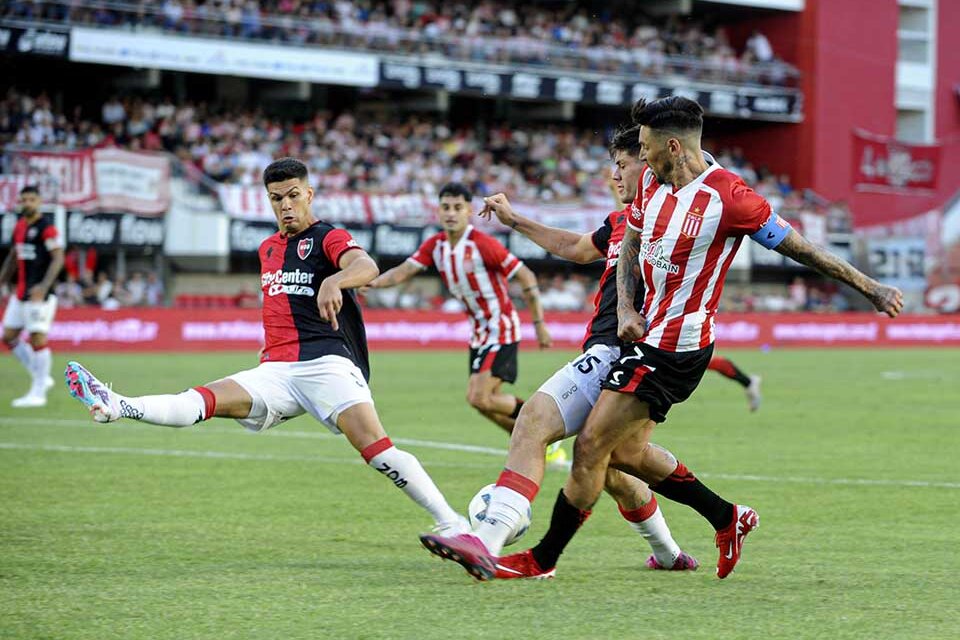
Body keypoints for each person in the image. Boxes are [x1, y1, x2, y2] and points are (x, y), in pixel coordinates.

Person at [433, 96, 904, 581]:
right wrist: (630, 308)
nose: (638, 158)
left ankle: (539, 560)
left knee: (592, 447)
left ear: (672, 146)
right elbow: (629, 243)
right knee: (625, 456)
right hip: (643, 337)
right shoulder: (652, 188)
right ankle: (727, 518)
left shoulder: (731, 198)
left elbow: (802, 250)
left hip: (677, 348)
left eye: (643, 147)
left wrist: (870, 288)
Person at [64, 157, 469, 536]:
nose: (286, 205)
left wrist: (333, 281)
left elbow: (366, 267)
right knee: (199, 401)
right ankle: (118, 404)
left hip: (327, 363)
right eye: (277, 199)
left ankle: (452, 523)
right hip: (277, 370)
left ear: (309, 194)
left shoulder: (329, 237)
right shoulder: (268, 249)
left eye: (294, 195)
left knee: (377, 451)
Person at [419, 124, 700, 579]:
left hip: (626, 353)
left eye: (624, 164)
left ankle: (486, 541)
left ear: (649, 163)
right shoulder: (620, 223)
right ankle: (671, 553)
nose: (614, 176)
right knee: (610, 467)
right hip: (625, 355)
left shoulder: (672, 220)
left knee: (534, 420)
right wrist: (515, 220)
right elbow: (573, 247)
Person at [367, 182, 555, 442]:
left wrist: (539, 323)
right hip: (479, 333)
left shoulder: (482, 244)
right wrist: (373, 282)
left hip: (501, 328)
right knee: (482, 403)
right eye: (446, 207)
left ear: (469, 211)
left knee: (478, 397)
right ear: (438, 212)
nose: (451, 213)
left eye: (458, 207)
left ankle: (540, 423)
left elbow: (526, 275)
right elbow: (403, 271)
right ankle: (532, 440)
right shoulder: (436, 245)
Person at [1, 185, 64, 407]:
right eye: (24, 199)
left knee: (38, 339)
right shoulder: (19, 226)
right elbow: (13, 256)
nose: (27, 203)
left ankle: (38, 393)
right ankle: (41, 377)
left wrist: (44, 286)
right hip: (20, 294)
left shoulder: (47, 229)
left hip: (40, 295)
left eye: (31, 199)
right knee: (8, 336)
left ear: (39, 202)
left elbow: (58, 258)